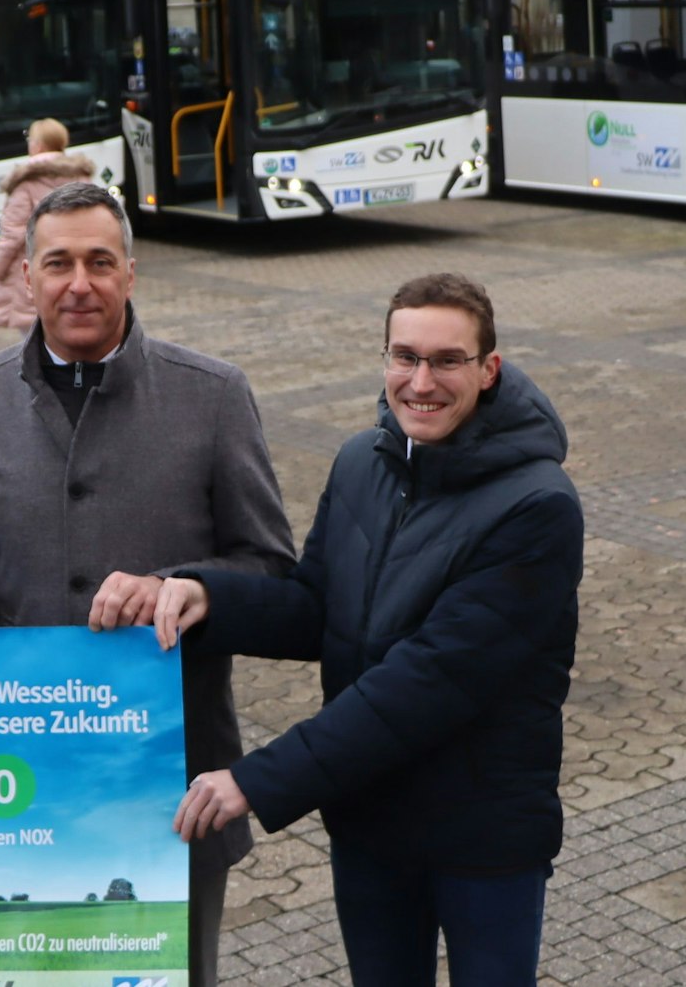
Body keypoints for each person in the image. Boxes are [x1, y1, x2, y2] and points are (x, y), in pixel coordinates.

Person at [0, 181, 295, 987]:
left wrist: (178, 587)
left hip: (170, 772)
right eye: (57, 263)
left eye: (98, 261)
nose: (78, 282)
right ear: (25, 275)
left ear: (130, 271)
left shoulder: (212, 395)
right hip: (26, 776)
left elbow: (270, 572)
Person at [153, 273, 582, 986]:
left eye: (447, 360)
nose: (421, 381)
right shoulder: (363, 461)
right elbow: (319, 607)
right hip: (372, 824)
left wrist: (259, 779)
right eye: (404, 356)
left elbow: (430, 678)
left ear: (489, 369)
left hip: (483, 835)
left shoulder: (538, 506)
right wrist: (205, 597)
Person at [0, 118, 94, 331]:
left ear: (39, 145)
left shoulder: (25, 183)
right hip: (75, 269)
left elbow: (13, 234)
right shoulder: (83, 179)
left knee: (34, 344)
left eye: (31, 139)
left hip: (36, 273)